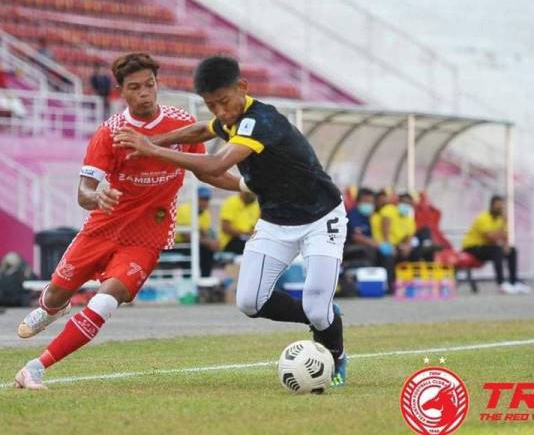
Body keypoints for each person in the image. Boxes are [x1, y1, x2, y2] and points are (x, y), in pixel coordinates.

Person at [114, 55, 349, 386]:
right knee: (250, 302)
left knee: (315, 304)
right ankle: (325, 317)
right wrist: (156, 140)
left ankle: (335, 356)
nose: (220, 112)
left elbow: (213, 165)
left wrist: (151, 149)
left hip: (321, 218)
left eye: (224, 102)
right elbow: (201, 129)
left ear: (242, 88)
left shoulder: (262, 120)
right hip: (275, 221)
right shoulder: (227, 118)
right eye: (211, 105)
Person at [13, 53, 242, 390]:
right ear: (122, 92)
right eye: (135, 88)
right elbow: (84, 191)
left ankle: (35, 367)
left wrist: (249, 186)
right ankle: (51, 307)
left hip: (147, 236)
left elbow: (209, 171)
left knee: (105, 301)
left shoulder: (182, 124)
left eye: (150, 85)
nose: (145, 93)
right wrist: (97, 196)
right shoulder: (110, 133)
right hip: (103, 227)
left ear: (157, 84)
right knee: (57, 293)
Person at [462, 195, 530, 294]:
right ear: (492, 205)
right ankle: (501, 284)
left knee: (512, 250)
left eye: (501, 206)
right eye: (498, 205)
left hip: (487, 247)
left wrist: (506, 246)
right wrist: (502, 230)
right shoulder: (483, 218)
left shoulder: (501, 220)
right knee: (497, 249)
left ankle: (513, 282)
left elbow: (505, 236)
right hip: (472, 248)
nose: (500, 208)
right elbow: (490, 237)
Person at [344, 187, 395, 288]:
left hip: (374, 245)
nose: (369, 204)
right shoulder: (353, 215)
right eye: (366, 201)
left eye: (371, 202)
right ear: (358, 202)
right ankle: (370, 283)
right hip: (352, 247)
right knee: (370, 250)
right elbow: (356, 237)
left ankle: (387, 285)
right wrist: (377, 244)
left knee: (388, 255)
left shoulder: (374, 216)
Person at [176, 186, 219, 277]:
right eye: (202, 199)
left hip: (192, 243)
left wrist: (212, 242)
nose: (205, 202)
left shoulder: (206, 214)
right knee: (193, 250)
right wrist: (207, 242)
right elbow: (186, 236)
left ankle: (205, 279)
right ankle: (188, 280)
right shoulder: (185, 209)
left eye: (207, 199)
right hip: (178, 244)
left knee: (208, 249)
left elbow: (205, 233)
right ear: (195, 199)